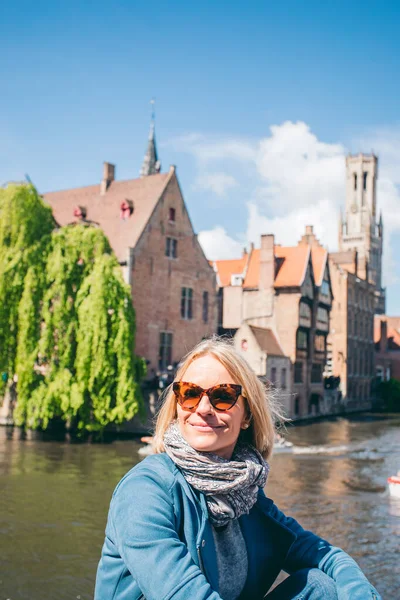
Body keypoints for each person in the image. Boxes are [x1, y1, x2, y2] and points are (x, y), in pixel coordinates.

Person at [95, 338, 381, 600]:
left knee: (321, 586)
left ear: (247, 415)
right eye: (190, 393)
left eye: (222, 396)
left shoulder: (245, 494)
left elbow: (328, 557)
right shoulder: (145, 491)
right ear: (177, 404)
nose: (204, 408)